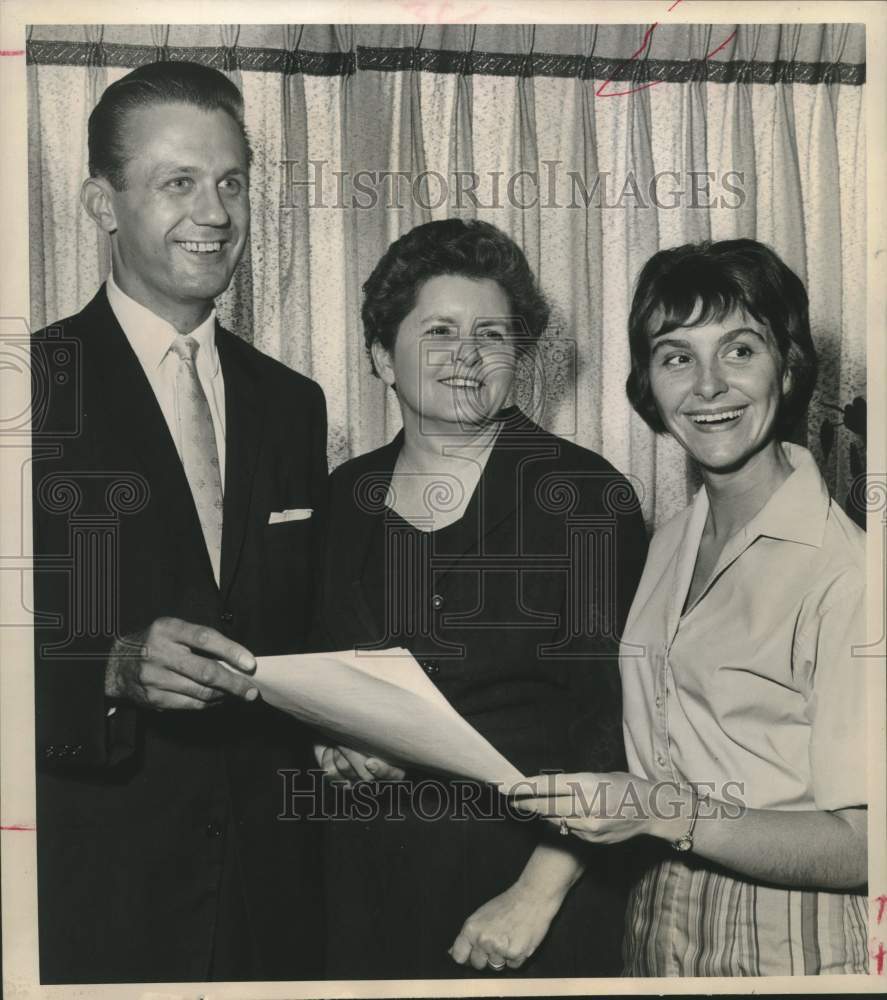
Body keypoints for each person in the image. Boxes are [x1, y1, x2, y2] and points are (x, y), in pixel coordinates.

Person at [31, 61, 328, 983]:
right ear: (100, 203)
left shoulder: (292, 403)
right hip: (92, 892)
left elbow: (299, 629)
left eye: (231, 181)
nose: (215, 213)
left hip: (274, 894)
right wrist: (112, 667)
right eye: (177, 182)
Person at [517, 239, 869, 976]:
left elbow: (865, 844)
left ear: (788, 362)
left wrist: (660, 811)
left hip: (793, 941)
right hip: (653, 919)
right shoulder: (671, 538)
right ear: (648, 382)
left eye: (738, 350)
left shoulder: (850, 573)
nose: (707, 386)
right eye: (676, 356)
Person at [311, 218, 648, 979]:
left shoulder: (583, 495)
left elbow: (623, 718)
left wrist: (535, 893)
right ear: (380, 357)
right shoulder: (340, 498)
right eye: (438, 331)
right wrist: (332, 741)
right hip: (363, 889)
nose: (467, 355)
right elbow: (319, 670)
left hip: (528, 896)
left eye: (491, 333)